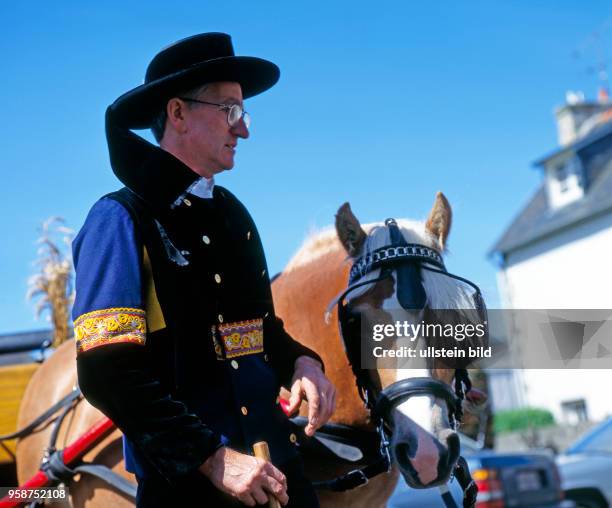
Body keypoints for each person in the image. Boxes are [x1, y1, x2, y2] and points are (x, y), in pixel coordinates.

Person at [72, 32, 336, 508]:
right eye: (230, 110)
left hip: (283, 481)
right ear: (178, 113)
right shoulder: (118, 219)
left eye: (244, 113)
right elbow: (106, 372)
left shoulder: (234, 217)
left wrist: (301, 362)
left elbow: (256, 333)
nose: (244, 129)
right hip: (188, 493)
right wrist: (213, 458)